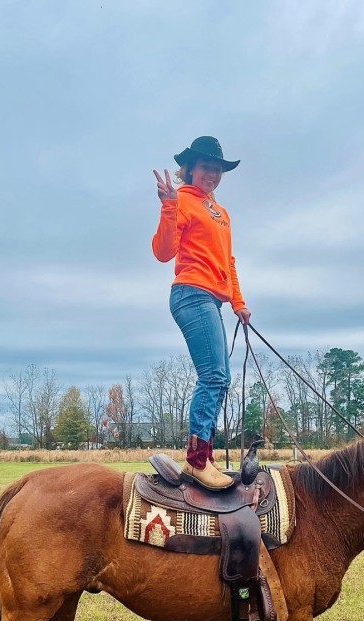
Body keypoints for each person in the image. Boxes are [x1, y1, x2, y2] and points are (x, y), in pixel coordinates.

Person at [152, 136, 251, 490]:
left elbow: (229, 262)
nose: (213, 173)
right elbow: (163, 252)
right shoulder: (181, 201)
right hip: (190, 293)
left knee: (220, 378)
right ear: (190, 168)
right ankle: (196, 461)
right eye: (207, 166)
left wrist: (238, 302)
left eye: (218, 168)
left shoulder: (221, 214)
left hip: (213, 299)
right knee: (213, 377)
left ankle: (205, 457)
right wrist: (167, 205)